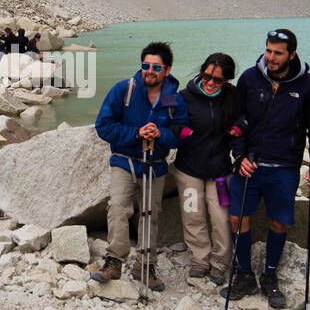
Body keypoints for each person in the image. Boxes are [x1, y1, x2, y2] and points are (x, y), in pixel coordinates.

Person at [223, 28, 310, 309]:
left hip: (285, 166)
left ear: (291, 54)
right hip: (250, 164)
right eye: (268, 50)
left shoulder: (308, 86)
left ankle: (270, 275)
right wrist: (239, 155)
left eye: (277, 53)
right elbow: (237, 121)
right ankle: (244, 273)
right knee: (237, 219)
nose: (270, 57)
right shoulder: (249, 78)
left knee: (278, 222)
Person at [92, 42, 186, 291]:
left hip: (155, 163)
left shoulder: (173, 98)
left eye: (156, 67)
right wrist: (136, 133)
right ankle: (114, 260)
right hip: (124, 160)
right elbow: (103, 126)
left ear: (167, 69)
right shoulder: (125, 90)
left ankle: (145, 265)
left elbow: (181, 132)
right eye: (146, 65)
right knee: (118, 208)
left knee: (151, 214)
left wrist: (161, 134)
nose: (149, 71)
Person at [174, 53, 242, 285]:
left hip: (220, 173)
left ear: (227, 81)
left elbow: (246, 118)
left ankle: (220, 263)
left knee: (222, 217)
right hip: (189, 171)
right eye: (207, 76)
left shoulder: (232, 97)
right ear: (201, 72)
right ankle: (200, 259)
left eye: (217, 80)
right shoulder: (184, 97)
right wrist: (179, 132)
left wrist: (239, 128)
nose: (210, 83)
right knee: (193, 215)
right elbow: (171, 122)